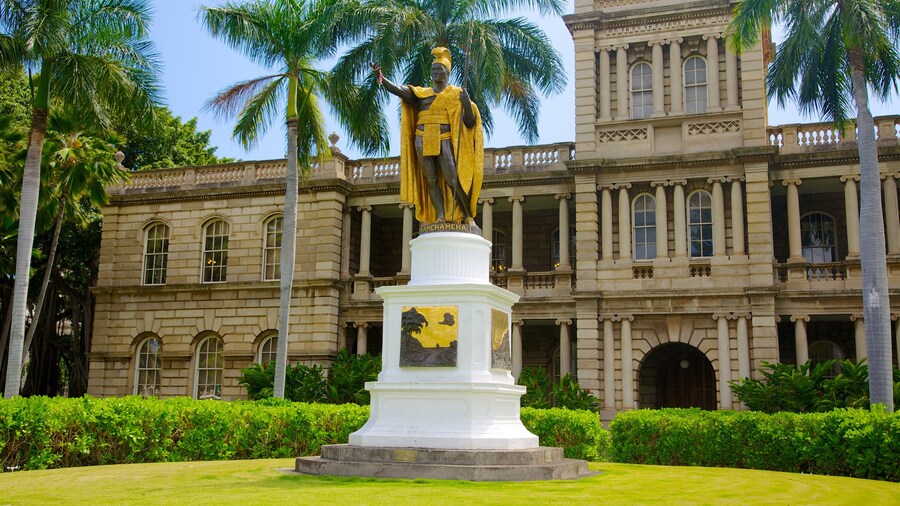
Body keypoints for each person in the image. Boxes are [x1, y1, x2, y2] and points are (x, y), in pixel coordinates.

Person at [373, 47, 484, 225]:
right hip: (422, 137)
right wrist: (382, 78)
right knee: (431, 180)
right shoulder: (422, 93)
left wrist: (467, 104)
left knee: (452, 180)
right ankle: (439, 215)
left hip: (444, 137)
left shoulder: (455, 94)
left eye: (439, 69)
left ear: (447, 73)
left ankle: (467, 215)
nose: (435, 72)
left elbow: (469, 123)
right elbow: (400, 91)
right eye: (433, 69)